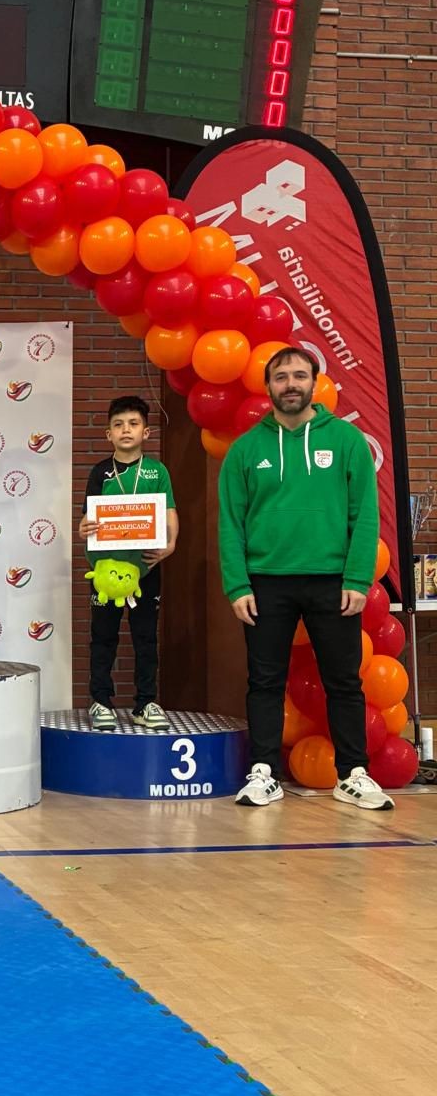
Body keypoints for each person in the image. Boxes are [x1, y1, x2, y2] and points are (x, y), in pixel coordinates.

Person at [219, 346, 393, 811]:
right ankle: (263, 772)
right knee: (264, 682)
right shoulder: (245, 450)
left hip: (334, 582)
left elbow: (365, 516)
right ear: (268, 386)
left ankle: (352, 774)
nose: (290, 384)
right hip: (265, 583)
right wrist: (237, 585)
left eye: (299, 375)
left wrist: (358, 579)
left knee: (344, 681)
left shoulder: (348, 441)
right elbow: (230, 523)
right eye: (281, 377)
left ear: (315, 383)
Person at [78, 395, 178, 733]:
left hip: (145, 567)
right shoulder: (100, 472)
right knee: (103, 636)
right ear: (108, 434)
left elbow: (169, 511)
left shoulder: (157, 471)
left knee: (145, 637)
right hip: (105, 572)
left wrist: (171, 544)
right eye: (118, 425)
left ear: (145, 432)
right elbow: (88, 519)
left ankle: (145, 703)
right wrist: (82, 528)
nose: (126, 430)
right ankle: (100, 701)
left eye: (133, 424)